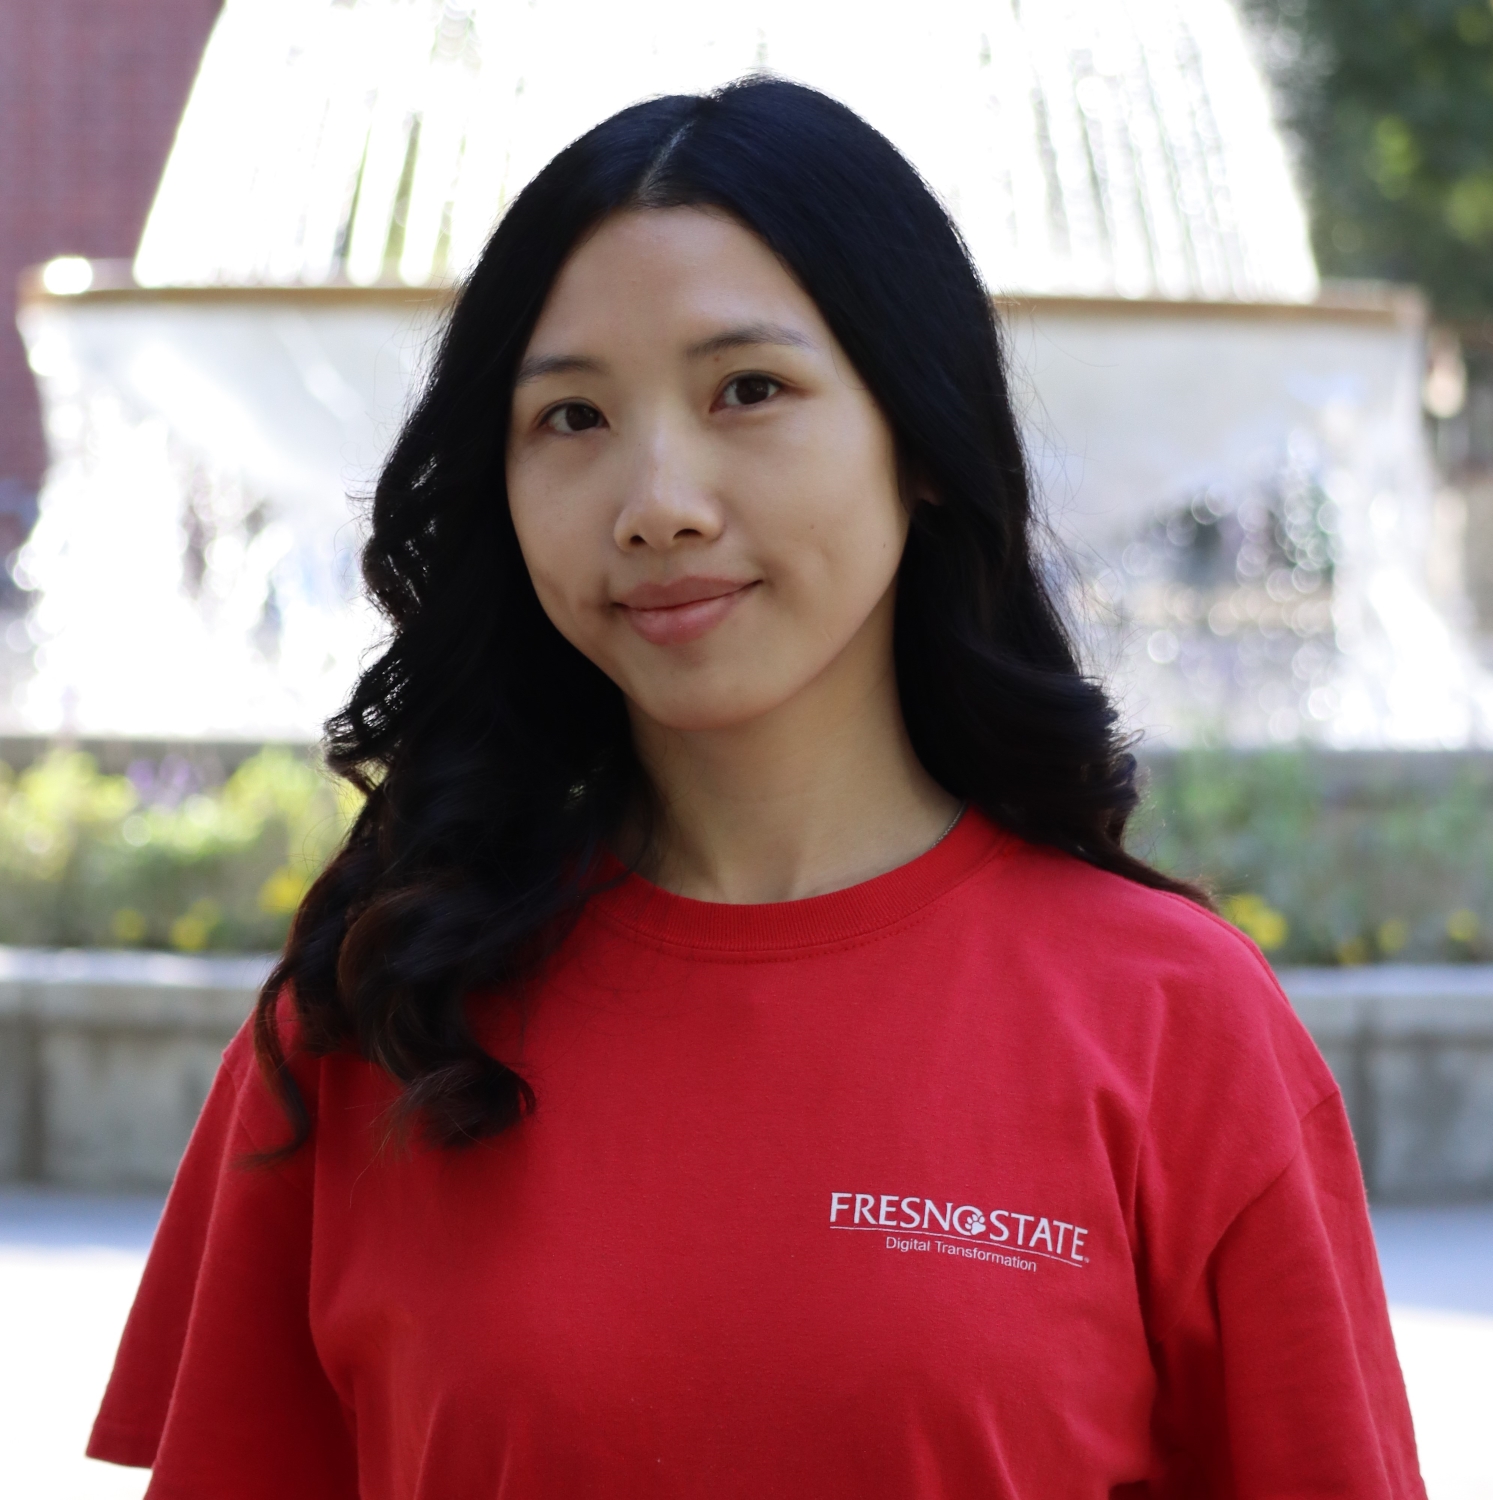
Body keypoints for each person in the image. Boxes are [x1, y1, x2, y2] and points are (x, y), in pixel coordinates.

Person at [89, 78, 1424, 1498]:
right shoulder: (372, 1010)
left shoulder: (1179, 1029)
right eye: (572, 417)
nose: (657, 498)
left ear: (918, 440)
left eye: (749, 391)